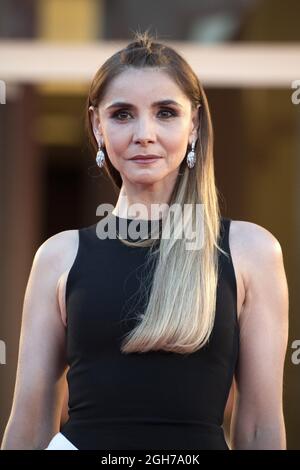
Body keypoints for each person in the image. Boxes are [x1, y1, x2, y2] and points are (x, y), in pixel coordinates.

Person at [1, 31, 289, 450]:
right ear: (98, 127)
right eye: (122, 115)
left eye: (166, 113)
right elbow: (28, 425)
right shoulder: (59, 255)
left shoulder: (251, 251)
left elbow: (262, 427)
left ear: (194, 126)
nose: (144, 133)